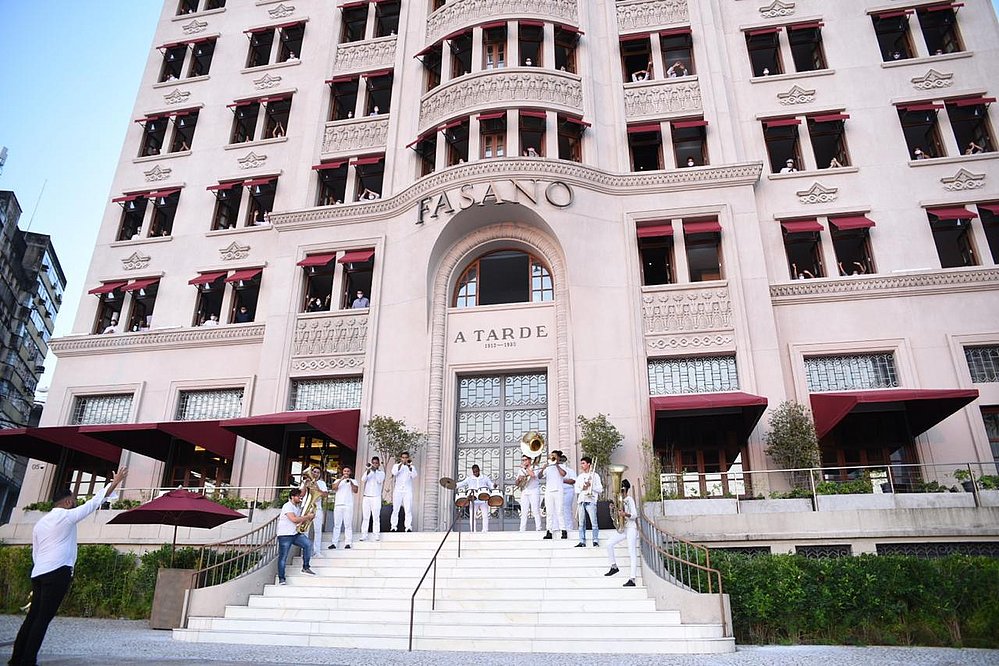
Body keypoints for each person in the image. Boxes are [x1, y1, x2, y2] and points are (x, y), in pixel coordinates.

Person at [8, 468, 129, 666]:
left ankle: (16, 659)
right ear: (67, 502)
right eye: (73, 500)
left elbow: (36, 552)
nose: (75, 502)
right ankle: (28, 661)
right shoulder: (66, 516)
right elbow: (94, 503)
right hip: (57, 572)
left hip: (39, 572)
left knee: (32, 617)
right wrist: (114, 483)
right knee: (42, 619)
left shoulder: (40, 523)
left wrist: (40, 568)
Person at [276, 488, 317, 585]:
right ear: (292, 497)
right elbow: (294, 519)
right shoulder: (287, 506)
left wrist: (309, 518)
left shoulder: (297, 507)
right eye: (298, 496)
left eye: (300, 496)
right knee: (283, 557)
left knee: (308, 544)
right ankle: (281, 578)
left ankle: (306, 567)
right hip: (285, 535)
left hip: (294, 533)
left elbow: (300, 520)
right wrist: (307, 517)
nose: (300, 498)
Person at [604, 479, 639, 587]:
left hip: (631, 528)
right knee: (609, 543)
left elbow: (635, 515)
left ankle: (632, 579)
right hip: (623, 528)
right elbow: (615, 517)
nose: (620, 492)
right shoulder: (619, 501)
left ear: (624, 490)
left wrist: (625, 514)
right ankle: (614, 566)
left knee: (631, 552)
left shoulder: (629, 499)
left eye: (621, 490)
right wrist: (613, 509)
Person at [299, 466, 328, 556]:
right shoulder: (306, 481)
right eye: (314, 472)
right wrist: (305, 484)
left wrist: (316, 486)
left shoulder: (322, 483)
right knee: (305, 530)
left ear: (320, 475)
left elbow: (325, 495)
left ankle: (317, 551)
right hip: (307, 508)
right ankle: (304, 552)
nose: (315, 474)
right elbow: (301, 494)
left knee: (318, 530)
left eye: (318, 473)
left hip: (317, 508)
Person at [456, 465, 494, 532]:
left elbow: (490, 484)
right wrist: (453, 484)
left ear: (479, 470)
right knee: (472, 516)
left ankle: (485, 530)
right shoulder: (469, 479)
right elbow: (462, 483)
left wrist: (493, 485)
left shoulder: (485, 478)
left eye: (476, 471)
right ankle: (473, 530)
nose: (475, 473)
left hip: (483, 500)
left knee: (485, 515)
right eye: (474, 472)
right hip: (473, 500)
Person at [575, 456, 603, 547]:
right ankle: (582, 541)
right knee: (581, 523)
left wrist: (591, 486)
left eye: (583, 463)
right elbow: (576, 490)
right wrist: (583, 487)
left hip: (591, 501)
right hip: (582, 501)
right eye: (581, 463)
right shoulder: (580, 477)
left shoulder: (595, 475)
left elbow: (600, 489)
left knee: (594, 522)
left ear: (589, 464)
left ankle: (595, 540)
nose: (582, 465)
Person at [328, 467, 358, 550]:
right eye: (345, 471)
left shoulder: (353, 481)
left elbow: (355, 490)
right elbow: (334, 488)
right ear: (342, 472)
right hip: (338, 505)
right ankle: (334, 543)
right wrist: (341, 479)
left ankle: (348, 543)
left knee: (348, 525)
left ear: (350, 472)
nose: (346, 472)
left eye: (348, 471)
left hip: (348, 505)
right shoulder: (337, 480)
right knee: (337, 525)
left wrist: (350, 482)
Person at [539, 451, 566, 540]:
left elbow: (563, 474)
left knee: (559, 511)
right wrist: (543, 468)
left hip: (558, 491)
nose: (552, 457)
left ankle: (563, 530)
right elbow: (539, 476)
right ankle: (549, 531)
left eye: (554, 456)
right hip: (549, 492)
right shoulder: (548, 467)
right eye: (551, 456)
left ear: (558, 458)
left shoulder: (561, 466)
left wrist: (556, 465)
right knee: (549, 512)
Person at [359, 457, 386, 542]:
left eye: (376, 463)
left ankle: (376, 535)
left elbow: (379, 480)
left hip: (376, 497)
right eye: (373, 463)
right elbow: (363, 479)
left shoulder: (381, 473)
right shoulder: (368, 471)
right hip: (366, 497)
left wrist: (374, 471)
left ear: (379, 464)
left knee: (376, 517)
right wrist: (368, 470)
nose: (374, 464)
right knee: (365, 517)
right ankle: (364, 535)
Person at [390, 452, 417, 532]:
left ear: (408, 458)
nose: (404, 459)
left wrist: (409, 467)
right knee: (395, 509)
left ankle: (408, 527)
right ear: (401, 458)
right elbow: (394, 473)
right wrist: (401, 464)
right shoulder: (396, 466)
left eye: (406, 457)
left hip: (407, 490)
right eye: (403, 457)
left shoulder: (411, 467)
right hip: (398, 490)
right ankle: (393, 526)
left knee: (408, 509)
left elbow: (414, 475)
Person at [515, 455, 542, 532]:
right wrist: (519, 479)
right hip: (525, 491)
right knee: (524, 511)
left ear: (530, 460)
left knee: (535, 510)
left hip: (534, 490)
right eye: (523, 460)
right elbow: (516, 483)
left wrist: (526, 469)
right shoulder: (520, 470)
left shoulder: (535, 467)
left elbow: (533, 475)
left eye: (525, 460)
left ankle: (538, 528)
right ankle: (522, 529)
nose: (524, 461)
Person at [560, 454, 577, 535]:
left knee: (567, 509)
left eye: (562, 460)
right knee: (558, 510)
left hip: (568, 490)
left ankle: (569, 528)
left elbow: (573, 481)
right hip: (558, 491)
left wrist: (561, 480)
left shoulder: (570, 470)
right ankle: (559, 527)